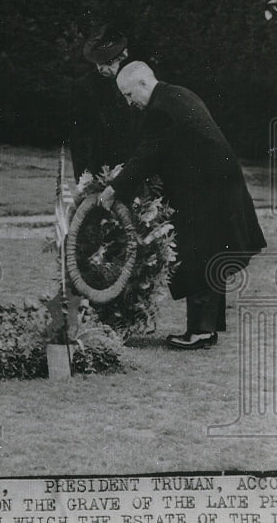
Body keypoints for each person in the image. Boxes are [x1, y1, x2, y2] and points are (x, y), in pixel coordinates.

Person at [97, 62, 266, 350]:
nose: (128, 102)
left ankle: (200, 332)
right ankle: (205, 330)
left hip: (209, 190)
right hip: (217, 186)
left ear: (142, 84)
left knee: (198, 254)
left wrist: (114, 189)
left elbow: (149, 154)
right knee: (209, 254)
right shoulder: (176, 95)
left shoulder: (161, 110)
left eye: (128, 94)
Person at [69, 26, 139, 182]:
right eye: (98, 62)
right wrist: (83, 178)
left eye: (109, 62)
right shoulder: (84, 86)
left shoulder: (136, 82)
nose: (102, 68)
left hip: (129, 162)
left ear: (123, 56)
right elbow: (79, 138)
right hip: (97, 166)